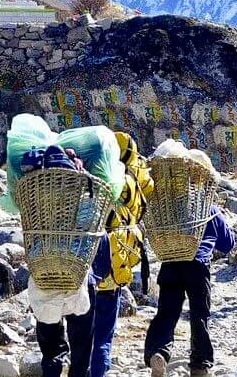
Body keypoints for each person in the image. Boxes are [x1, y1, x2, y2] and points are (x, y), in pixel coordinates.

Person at [28, 145, 100, 377]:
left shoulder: (31, 193)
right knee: (81, 348)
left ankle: (53, 371)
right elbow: (93, 225)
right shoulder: (83, 194)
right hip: (77, 275)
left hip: (43, 272)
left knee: (51, 348)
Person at [144, 204, 235, 377]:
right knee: (199, 315)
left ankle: (159, 353)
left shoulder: (170, 207)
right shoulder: (210, 209)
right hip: (198, 267)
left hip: (170, 263)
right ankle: (199, 366)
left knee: (166, 314)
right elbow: (228, 244)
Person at [90, 132, 154, 377]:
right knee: (104, 334)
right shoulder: (128, 180)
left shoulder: (84, 178)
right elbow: (140, 209)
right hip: (112, 270)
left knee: (82, 332)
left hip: (80, 270)